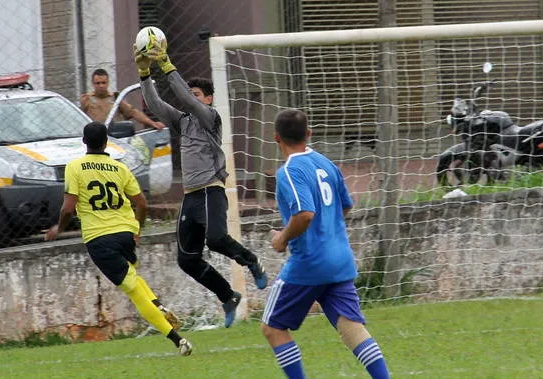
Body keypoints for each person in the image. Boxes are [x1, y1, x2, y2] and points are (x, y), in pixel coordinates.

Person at [132, 34, 268, 328]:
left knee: (216, 239)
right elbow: (155, 104)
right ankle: (227, 296)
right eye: (191, 93)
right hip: (191, 197)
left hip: (211, 191)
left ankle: (251, 260)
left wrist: (165, 63)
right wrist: (144, 71)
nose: (191, 98)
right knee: (187, 259)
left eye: (197, 94)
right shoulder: (182, 121)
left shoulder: (210, 117)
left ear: (208, 99)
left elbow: (183, 98)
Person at [262, 109, 390, 378]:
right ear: (308, 134)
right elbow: (346, 206)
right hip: (340, 259)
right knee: (351, 327)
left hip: (309, 263)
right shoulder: (326, 163)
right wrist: (327, 228)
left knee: (272, 327)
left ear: (276, 138)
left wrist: (282, 238)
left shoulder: (289, 171)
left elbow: (305, 214)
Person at [45, 121, 191, 356]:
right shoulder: (119, 168)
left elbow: (68, 209)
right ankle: (158, 305)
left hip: (99, 238)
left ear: (84, 142)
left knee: (133, 290)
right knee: (133, 275)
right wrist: (137, 230)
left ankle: (177, 339)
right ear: (106, 143)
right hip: (125, 233)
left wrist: (58, 229)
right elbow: (141, 203)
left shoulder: (74, 167)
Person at [80, 68, 165, 130]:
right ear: (92, 84)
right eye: (97, 83)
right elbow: (77, 119)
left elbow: (133, 112)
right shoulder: (86, 99)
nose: (101, 86)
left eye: (103, 82)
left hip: (115, 140)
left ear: (108, 82)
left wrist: (152, 123)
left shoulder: (116, 98)